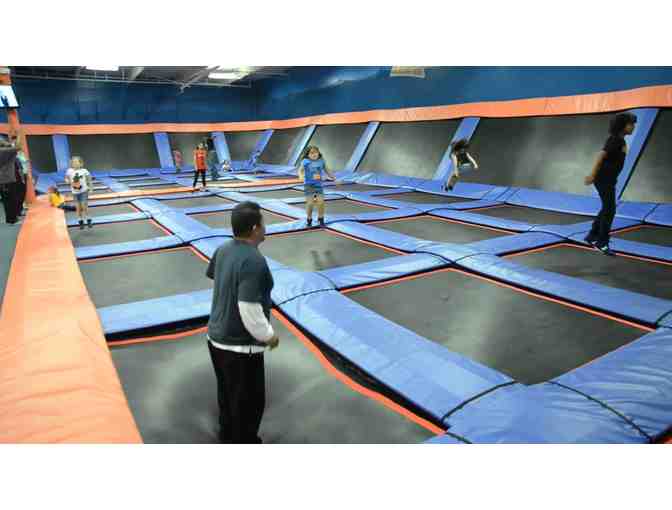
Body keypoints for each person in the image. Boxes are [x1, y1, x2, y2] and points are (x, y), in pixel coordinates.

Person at [206, 201, 280, 444]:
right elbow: (249, 309)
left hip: (215, 338)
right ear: (255, 228)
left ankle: (227, 435)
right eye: (264, 223)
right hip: (239, 347)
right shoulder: (254, 261)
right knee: (249, 404)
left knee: (227, 396)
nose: (266, 227)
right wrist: (268, 336)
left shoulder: (223, 249)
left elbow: (216, 277)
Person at [584, 112, 637, 255]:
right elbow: (601, 155)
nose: (633, 127)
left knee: (607, 208)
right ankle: (602, 243)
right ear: (622, 126)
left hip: (608, 180)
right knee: (610, 210)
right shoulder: (615, 140)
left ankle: (592, 235)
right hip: (603, 179)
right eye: (631, 124)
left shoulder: (620, 140)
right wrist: (592, 175)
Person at [298, 145, 336, 228]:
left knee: (321, 202)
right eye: (311, 153)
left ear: (318, 153)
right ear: (308, 154)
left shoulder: (321, 161)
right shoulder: (305, 161)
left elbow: (327, 170)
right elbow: (300, 170)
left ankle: (321, 218)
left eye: (316, 152)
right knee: (310, 203)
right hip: (309, 185)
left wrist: (334, 178)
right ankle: (309, 219)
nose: (314, 154)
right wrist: (301, 176)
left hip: (318, 185)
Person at [65, 156, 93, 229]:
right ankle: (80, 221)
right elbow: (66, 178)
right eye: (73, 162)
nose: (75, 163)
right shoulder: (69, 171)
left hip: (84, 191)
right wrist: (67, 180)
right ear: (71, 164)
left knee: (84, 206)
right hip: (75, 192)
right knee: (78, 207)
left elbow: (89, 179)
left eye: (77, 162)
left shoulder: (84, 171)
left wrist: (91, 188)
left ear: (81, 163)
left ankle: (88, 219)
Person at [0, 136, 20, 225]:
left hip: (3, 180)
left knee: (6, 200)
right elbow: (18, 147)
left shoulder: (6, 151)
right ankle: (12, 219)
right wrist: (18, 135)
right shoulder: (6, 151)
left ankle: (10, 218)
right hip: (7, 179)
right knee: (12, 200)